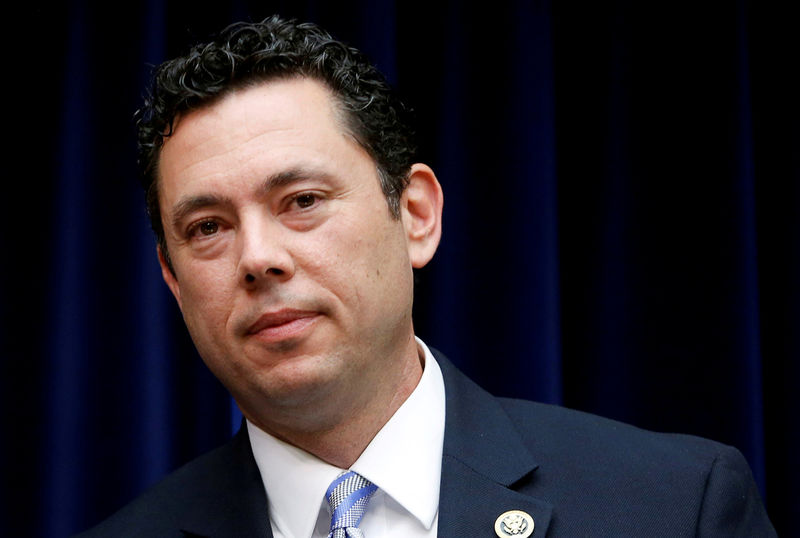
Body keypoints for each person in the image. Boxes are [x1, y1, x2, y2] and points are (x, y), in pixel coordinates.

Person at [78, 15, 775, 537]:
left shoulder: (677, 506)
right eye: (208, 228)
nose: (258, 258)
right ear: (172, 279)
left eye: (303, 202)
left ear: (414, 215)